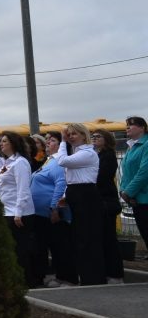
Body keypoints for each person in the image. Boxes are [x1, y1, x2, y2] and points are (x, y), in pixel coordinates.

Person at [57, 122, 105, 285]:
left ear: (84, 136)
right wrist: (65, 195)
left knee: (88, 237)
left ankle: (93, 277)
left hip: (85, 194)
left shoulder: (87, 153)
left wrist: (62, 142)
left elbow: (62, 161)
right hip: (76, 192)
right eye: (68, 134)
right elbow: (70, 176)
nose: (70, 137)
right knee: (79, 236)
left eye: (74, 134)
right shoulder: (77, 152)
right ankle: (85, 275)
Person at [29, 131, 76, 287]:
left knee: (61, 245)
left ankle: (68, 278)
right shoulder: (49, 161)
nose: (48, 142)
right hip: (41, 213)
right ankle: (60, 275)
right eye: (47, 139)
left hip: (53, 212)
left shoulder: (58, 162)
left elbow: (61, 184)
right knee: (53, 246)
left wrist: (54, 207)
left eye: (52, 140)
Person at [0, 131, 36, 288]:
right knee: (12, 248)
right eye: (1, 141)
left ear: (13, 143)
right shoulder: (7, 163)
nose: (1, 144)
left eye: (5, 141)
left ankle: (27, 281)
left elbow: (23, 189)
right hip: (7, 210)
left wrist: (19, 212)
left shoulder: (20, 162)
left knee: (22, 248)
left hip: (19, 213)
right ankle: (15, 279)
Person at [92, 129, 123, 283]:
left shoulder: (108, 155)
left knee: (109, 239)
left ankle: (115, 274)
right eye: (93, 137)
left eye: (98, 136)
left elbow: (101, 177)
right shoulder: (97, 155)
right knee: (103, 239)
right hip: (99, 201)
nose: (94, 139)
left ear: (107, 139)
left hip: (106, 201)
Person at [120, 116, 148, 252]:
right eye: (126, 125)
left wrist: (128, 191)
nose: (127, 127)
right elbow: (126, 172)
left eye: (131, 125)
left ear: (142, 127)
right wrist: (123, 190)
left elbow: (144, 172)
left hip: (145, 197)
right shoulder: (131, 146)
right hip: (136, 198)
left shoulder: (146, 144)